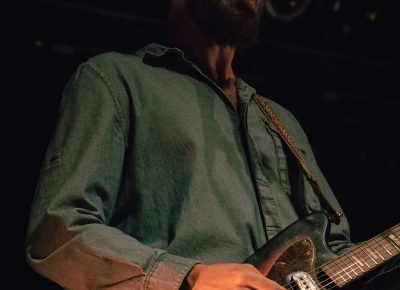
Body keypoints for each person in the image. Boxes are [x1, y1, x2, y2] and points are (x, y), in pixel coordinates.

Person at [26, 0, 398, 289]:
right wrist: (187, 276)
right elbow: (59, 233)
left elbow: (337, 252)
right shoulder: (115, 79)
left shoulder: (283, 123)